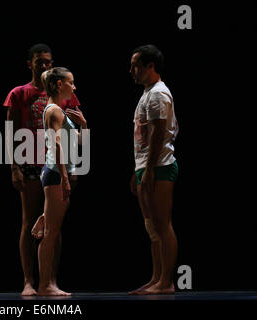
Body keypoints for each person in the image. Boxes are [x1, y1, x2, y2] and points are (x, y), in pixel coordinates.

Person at [3, 44, 81, 296]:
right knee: (29, 222)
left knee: (53, 223)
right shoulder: (19, 93)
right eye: (40, 62)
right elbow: (9, 131)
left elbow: (76, 132)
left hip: (58, 165)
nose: (45, 66)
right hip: (30, 162)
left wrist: (77, 165)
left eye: (48, 62)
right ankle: (29, 281)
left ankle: (50, 279)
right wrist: (13, 165)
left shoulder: (63, 91)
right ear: (30, 64)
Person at [128, 45, 179, 295]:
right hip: (146, 166)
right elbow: (144, 137)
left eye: (135, 65)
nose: (131, 71)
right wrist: (138, 170)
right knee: (151, 227)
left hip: (159, 167)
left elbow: (159, 134)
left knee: (162, 224)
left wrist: (148, 170)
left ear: (150, 66)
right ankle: (156, 277)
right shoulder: (147, 93)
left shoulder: (159, 94)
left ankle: (167, 281)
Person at [38, 67, 87, 296]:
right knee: (51, 234)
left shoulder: (59, 111)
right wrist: (66, 178)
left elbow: (77, 142)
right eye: (71, 82)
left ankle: (48, 284)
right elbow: (57, 145)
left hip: (56, 173)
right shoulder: (55, 111)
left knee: (52, 229)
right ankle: (45, 285)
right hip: (56, 174)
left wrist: (84, 125)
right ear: (60, 84)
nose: (74, 87)